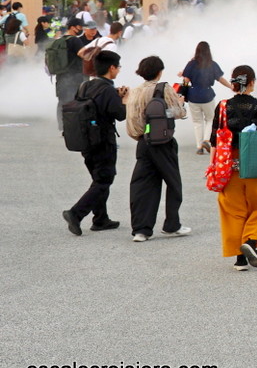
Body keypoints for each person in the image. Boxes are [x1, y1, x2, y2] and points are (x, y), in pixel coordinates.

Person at [212, 65, 257, 271]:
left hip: (230, 164)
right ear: (251, 83)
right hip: (256, 162)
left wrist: (214, 166)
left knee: (233, 209)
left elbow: (215, 139)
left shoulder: (222, 106)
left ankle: (240, 258)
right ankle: (251, 241)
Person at [62, 50, 129, 236]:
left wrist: (116, 96)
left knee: (98, 179)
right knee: (104, 179)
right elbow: (120, 115)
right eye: (118, 67)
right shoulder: (107, 90)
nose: (119, 70)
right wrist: (124, 99)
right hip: (103, 141)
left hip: (86, 141)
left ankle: (101, 219)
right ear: (112, 68)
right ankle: (75, 213)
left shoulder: (85, 86)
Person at [125, 55, 191, 242]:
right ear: (159, 71)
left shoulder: (135, 91)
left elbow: (132, 119)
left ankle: (141, 229)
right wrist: (180, 102)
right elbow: (178, 112)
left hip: (142, 143)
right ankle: (172, 224)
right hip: (163, 142)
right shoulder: (163, 88)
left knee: (143, 185)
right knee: (173, 182)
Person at [180, 41, 233, 155]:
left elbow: (186, 81)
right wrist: (230, 86)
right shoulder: (212, 64)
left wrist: (182, 93)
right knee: (210, 119)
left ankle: (199, 147)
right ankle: (206, 140)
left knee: (197, 122)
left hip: (193, 95)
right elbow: (220, 79)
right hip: (207, 94)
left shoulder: (191, 64)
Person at [53, 18, 87, 129]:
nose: (81, 29)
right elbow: (83, 55)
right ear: (73, 27)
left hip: (61, 75)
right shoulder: (75, 40)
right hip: (74, 75)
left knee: (62, 101)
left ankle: (62, 126)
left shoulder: (59, 40)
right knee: (74, 100)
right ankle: (71, 126)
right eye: (80, 27)